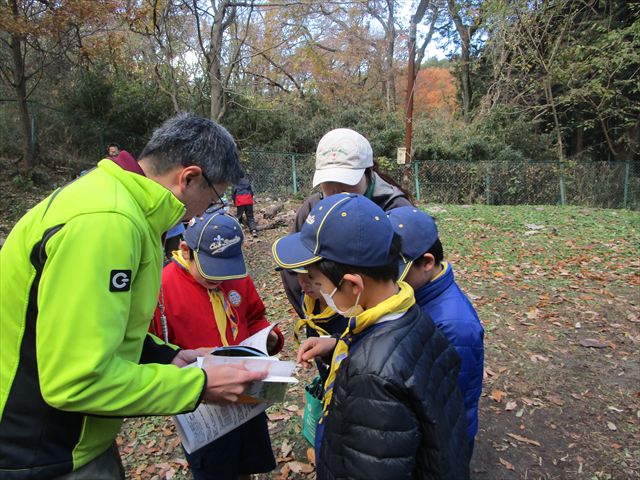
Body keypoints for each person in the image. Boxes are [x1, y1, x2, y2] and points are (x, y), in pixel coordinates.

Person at [0, 113, 267, 479]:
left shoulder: (116, 204)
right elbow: (76, 380)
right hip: (41, 454)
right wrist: (200, 384)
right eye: (215, 197)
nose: (208, 210)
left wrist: (170, 355)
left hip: (67, 442)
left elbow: (96, 327)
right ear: (188, 178)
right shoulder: (107, 221)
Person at [272, 193, 470, 480]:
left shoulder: (371, 375)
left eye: (317, 281)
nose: (311, 288)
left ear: (353, 285)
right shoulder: (415, 316)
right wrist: (338, 344)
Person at [151, 211, 283, 480]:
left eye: (226, 270)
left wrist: (271, 338)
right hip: (205, 404)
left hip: (247, 396)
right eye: (211, 271)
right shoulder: (162, 288)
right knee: (216, 469)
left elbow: (255, 316)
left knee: (248, 463)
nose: (220, 279)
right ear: (186, 251)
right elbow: (157, 348)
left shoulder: (236, 276)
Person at [280, 128, 412, 318]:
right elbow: (293, 269)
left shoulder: (396, 209)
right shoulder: (312, 209)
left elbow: (404, 275)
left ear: (368, 172)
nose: (336, 189)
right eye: (328, 181)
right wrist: (317, 316)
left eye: (346, 180)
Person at [388, 206, 484, 455]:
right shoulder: (414, 295)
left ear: (427, 263)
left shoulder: (456, 327)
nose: (388, 280)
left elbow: (450, 401)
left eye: (395, 272)